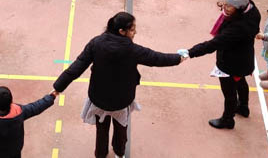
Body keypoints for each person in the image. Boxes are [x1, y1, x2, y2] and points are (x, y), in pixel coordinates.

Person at [53, 12, 183, 158]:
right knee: (121, 131)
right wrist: (179, 58)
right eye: (132, 29)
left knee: (101, 131)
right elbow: (158, 58)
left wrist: (58, 87)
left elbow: (76, 67)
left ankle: (101, 154)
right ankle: (119, 154)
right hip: (122, 101)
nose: (135, 32)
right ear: (122, 31)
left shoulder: (96, 43)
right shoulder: (134, 50)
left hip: (99, 99)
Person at [182, 0, 261, 129]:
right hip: (244, 60)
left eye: (229, 6)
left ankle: (227, 119)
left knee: (229, 92)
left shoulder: (237, 28)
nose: (224, 7)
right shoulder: (252, 9)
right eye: (225, 3)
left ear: (240, 7)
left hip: (231, 64)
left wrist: (189, 52)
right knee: (241, 82)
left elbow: (213, 44)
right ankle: (243, 107)